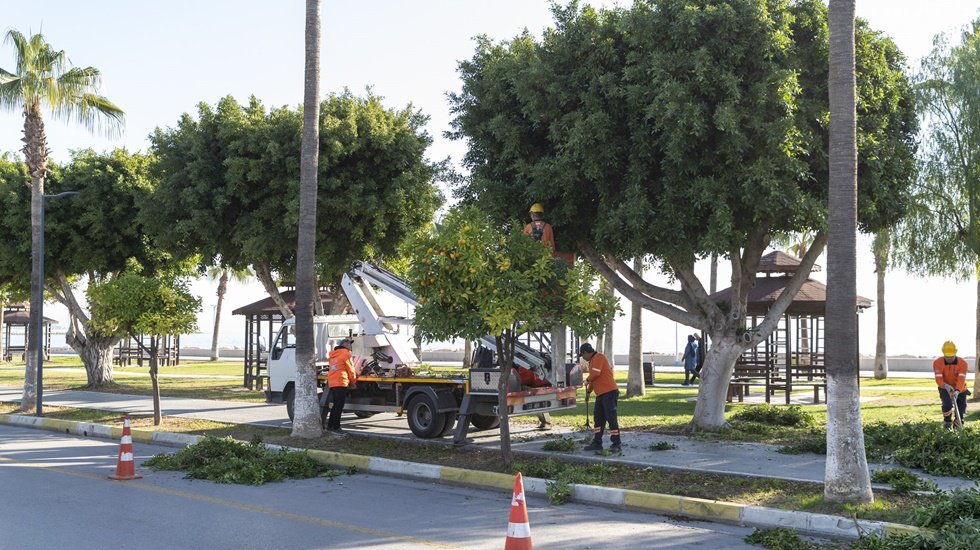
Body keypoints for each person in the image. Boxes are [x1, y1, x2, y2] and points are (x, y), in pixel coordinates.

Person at [579, 343, 621, 453]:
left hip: (609, 392)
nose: (583, 358)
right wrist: (588, 392)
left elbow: (595, 374)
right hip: (601, 394)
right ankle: (597, 442)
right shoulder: (592, 361)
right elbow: (594, 379)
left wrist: (586, 380)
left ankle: (616, 443)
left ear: (586, 353)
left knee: (611, 418)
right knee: (598, 418)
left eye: (582, 355)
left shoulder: (599, 357)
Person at [933, 340, 970, 429]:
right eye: (947, 356)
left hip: (961, 389)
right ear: (943, 354)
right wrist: (945, 386)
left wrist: (957, 391)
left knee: (961, 410)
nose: (949, 358)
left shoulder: (963, 363)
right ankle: (947, 422)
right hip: (945, 388)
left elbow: (961, 379)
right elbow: (939, 379)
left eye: (951, 356)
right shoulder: (937, 363)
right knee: (947, 404)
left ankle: (958, 426)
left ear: (955, 353)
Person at [325, 338, 358, 434]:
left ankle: (330, 426)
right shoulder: (346, 354)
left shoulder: (332, 355)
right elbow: (351, 370)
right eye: (349, 344)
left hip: (332, 382)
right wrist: (353, 382)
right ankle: (336, 427)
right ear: (346, 345)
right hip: (341, 381)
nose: (350, 345)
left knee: (335, 405)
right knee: (339, 406)